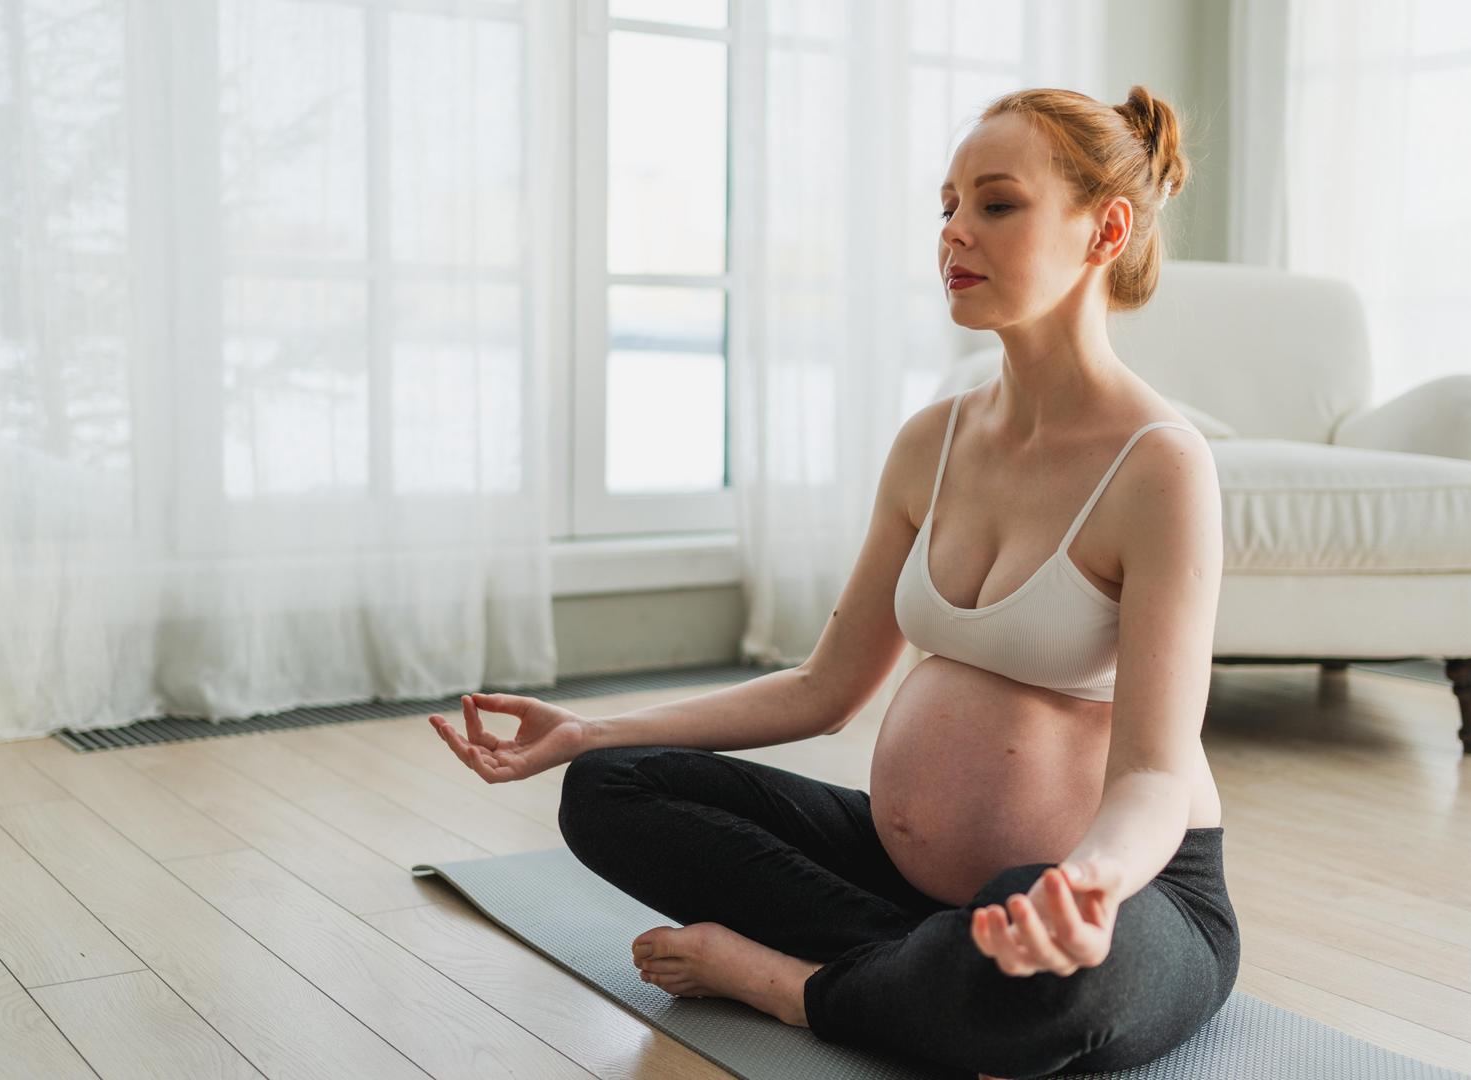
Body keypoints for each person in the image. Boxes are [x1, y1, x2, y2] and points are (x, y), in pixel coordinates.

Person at [429, 85, 1237, 1080]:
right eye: (947, 206)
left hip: (1121, 895)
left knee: (1051, 978)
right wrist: (592, 731)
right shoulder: (930, 443)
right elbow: (825, 688)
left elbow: (1156, 774)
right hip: (907, 884)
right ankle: (930, 974)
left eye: (996, 204)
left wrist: (1089, 887)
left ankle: (793, 985)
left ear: (1105, 231)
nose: (955, 232)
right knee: (607, 790)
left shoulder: (1161, 466)